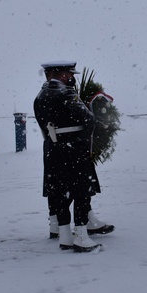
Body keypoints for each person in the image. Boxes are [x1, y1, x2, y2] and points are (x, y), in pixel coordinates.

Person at [34, 61, 103, 252]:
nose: (70, 77)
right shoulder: (67, 93)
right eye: (67, 73)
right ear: (59, 74)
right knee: (81, 191)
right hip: (73, 149)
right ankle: (81, 236)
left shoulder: (39, 96)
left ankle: (64, 236)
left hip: (52, 150)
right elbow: (88, 120)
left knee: (59, 192)